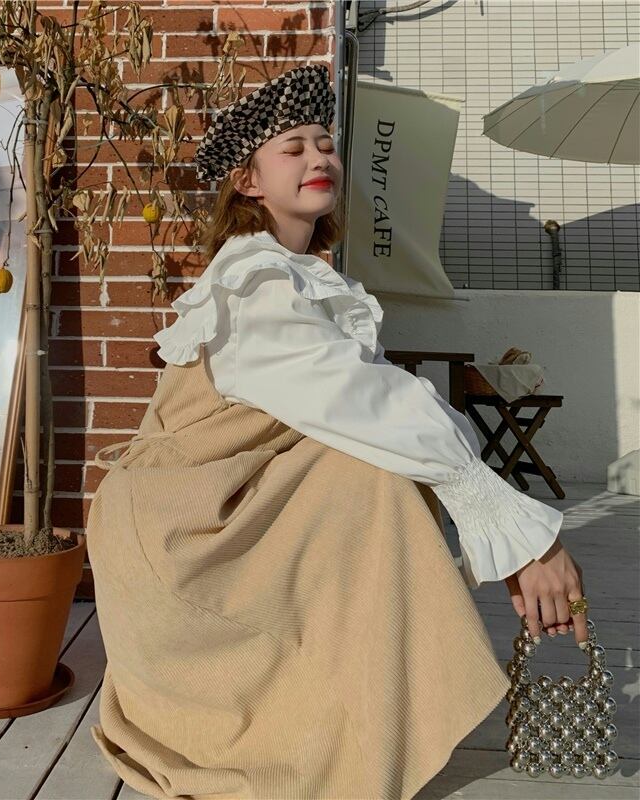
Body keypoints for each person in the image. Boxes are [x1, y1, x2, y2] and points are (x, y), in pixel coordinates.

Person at [86, 65, 588, 800]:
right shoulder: (256, 286)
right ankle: (331, 720)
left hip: (233, 505)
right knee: (377, 478)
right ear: (248, 182)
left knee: (377, 473)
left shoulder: (300, 276)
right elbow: (374, 403)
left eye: (325, 143)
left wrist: (500, 517)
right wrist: (522, 535)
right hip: (185, 530)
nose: (318, 157)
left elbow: (389, 403)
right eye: (292, 148)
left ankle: (362, 709)